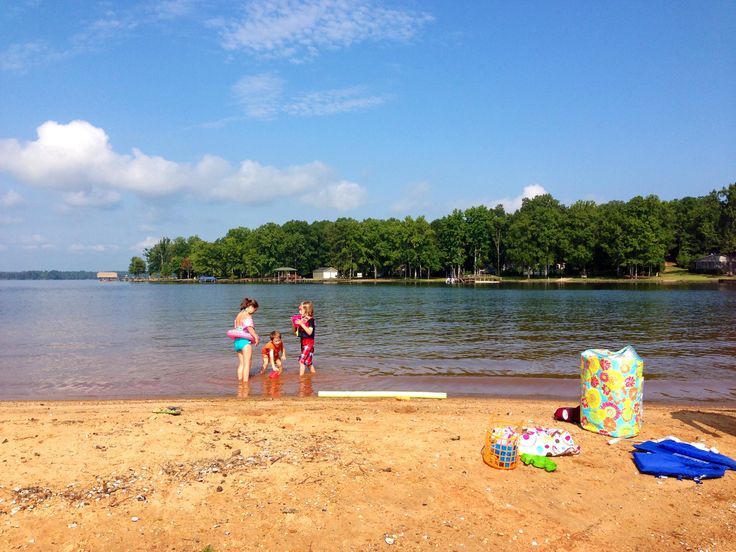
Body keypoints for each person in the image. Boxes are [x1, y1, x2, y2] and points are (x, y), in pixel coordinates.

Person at [233, 297, 259, 383]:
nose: (255, 312)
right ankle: (245, 383)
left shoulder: (239, 315)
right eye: (255, 310)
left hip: (237, 342)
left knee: (241, 363)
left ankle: (240, 382)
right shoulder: (247, 316)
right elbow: (249, 328)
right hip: (245, 342)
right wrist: (256, 337)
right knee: (247, 364)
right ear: (251, 307)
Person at [295, 300, 316, 376]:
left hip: (309, 343)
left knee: (301, 361)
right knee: (308, 362)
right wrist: (295, 325)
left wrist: (301, 324)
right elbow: (296, 333)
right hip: (303, 343)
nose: (299, 311)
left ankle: (301, 379)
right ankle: (314, 375)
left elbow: (310, 332)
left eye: (301, 310)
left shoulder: (311, 321)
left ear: (306, 310)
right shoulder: (303, 320)